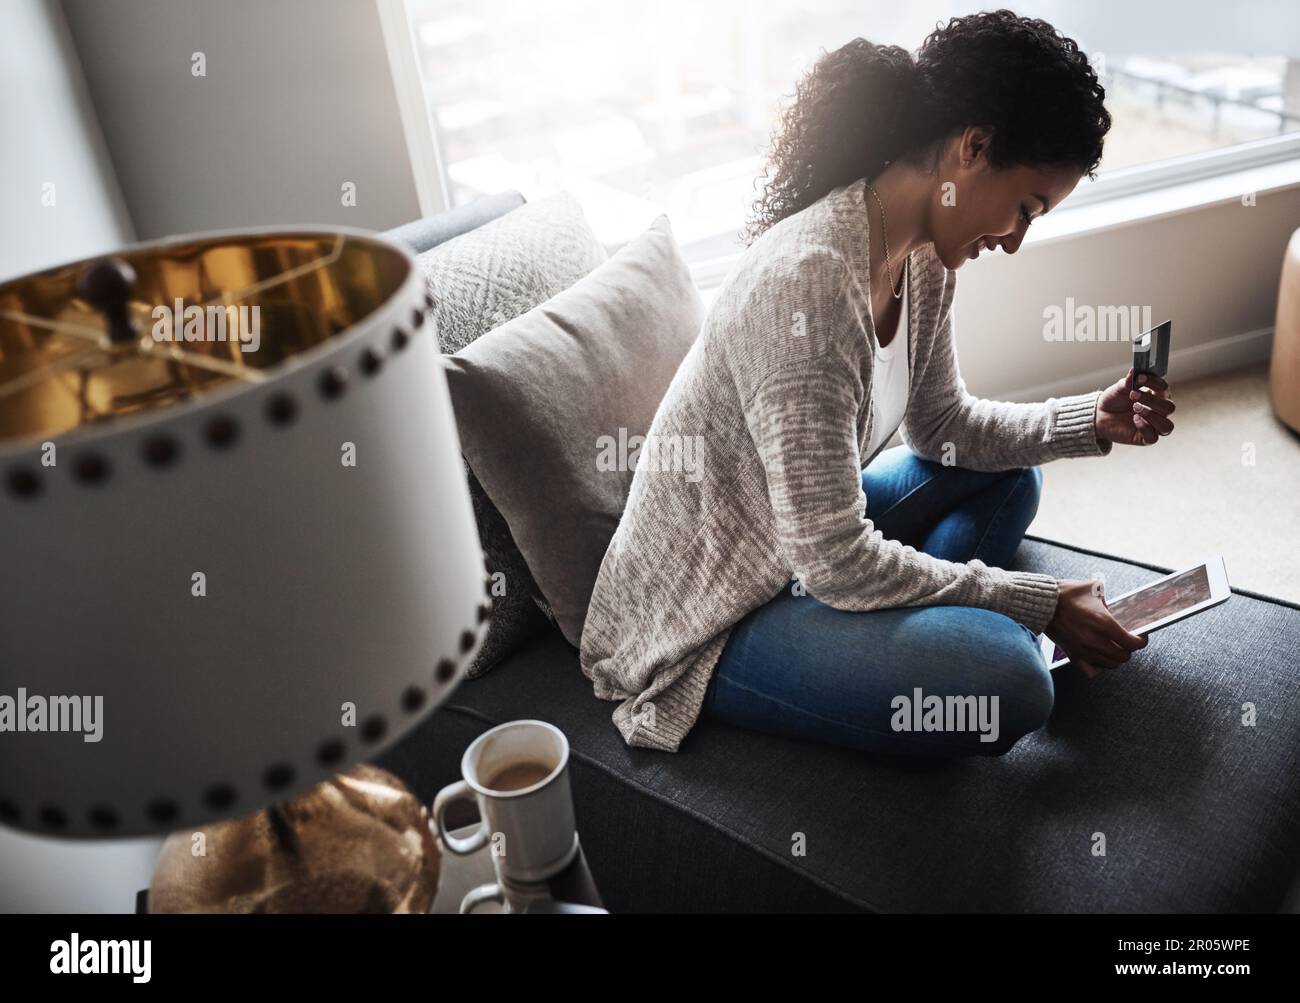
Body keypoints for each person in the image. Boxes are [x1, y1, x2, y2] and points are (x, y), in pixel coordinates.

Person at [578, 10, 1177, 757]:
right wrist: (1035, 601)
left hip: (801, 550)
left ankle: (939, 622)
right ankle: (963, 631)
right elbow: (834, 558)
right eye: (1024, 209)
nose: (1017, 241)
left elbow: (946, 431)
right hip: (713, 612)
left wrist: (1092, 420)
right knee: (1014, 684)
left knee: (1008, 479)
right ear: (973, 147)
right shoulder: (808, 284)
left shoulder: (924, 257)